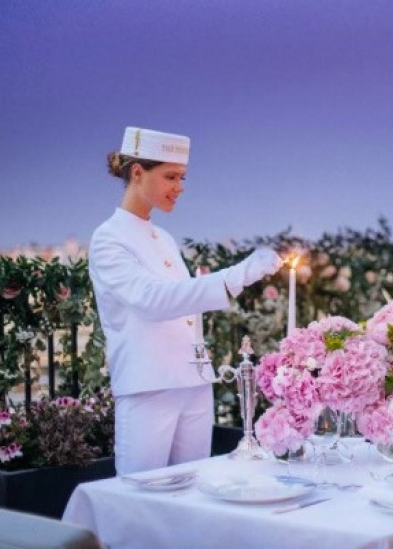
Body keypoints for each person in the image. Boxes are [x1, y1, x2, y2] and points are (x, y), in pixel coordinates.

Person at [89, 126, 282, 475]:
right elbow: (153, 300)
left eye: (182, 177)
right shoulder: (108, 239)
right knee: (142, 496)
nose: (180, 187)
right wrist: (235, 276)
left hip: (193, 380)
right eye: (170, 176)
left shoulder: (162, 237)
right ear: (137, 173)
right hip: (149, 385)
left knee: (196, 489)